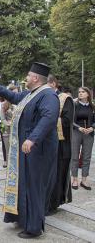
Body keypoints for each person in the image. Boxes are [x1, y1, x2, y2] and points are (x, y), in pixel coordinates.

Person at [0, 62, 59, 239]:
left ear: (35, 78)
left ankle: (34, 227)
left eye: (28, 75)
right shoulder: (32, 94)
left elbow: (49, 118)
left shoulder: (48, 95)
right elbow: (13, 97)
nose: (26, 78)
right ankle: (23, 218)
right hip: (27, 149)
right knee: (25, 184)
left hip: (38, 150)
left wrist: (32, 138)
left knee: (34, 187)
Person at [46, 75, 74, 214]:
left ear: (53, 84)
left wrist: (48, 121)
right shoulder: (45, 97)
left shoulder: (64, 98)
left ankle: (53, 204)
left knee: (56, 174)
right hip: (45, 142)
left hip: (60, 144)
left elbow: (67, 121)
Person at [71, 86, 95, 191]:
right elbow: (71, 120)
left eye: (83, 92)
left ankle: (84, 180)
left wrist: (92, 128)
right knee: (75, 157)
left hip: (89, 134)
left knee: (86, 157)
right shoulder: (75, 105)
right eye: (79, 92)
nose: (80, 93)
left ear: (88, 94)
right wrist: (79, 127)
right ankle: (74, 179)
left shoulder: (92, 106)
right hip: (77, 132)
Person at [0, 85, 18, 168]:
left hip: (17, 130)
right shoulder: (4, 104)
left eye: (17, 93)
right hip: (7, 130)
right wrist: (8, 123)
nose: (16, 95)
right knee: (7, 149)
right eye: (14, 93)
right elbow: (2, 118)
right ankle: (8, 163)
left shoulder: (20, 103)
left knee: (16, 150)